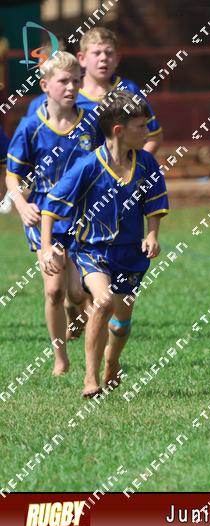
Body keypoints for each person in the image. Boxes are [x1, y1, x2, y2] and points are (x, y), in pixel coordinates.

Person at [39, 90, 169, 398]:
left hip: (130, 253)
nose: (148, 131)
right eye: (141, 126)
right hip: (92, 250)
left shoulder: (146, 163)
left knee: (121, 322)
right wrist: (46, 247)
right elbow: (50, 206)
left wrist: (152, 235)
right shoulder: (88, 165)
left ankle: (112, 361)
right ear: (119, 131)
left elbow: (154, 202)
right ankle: (90, 379)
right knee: (103, 302)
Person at [5, 52, 96, 375]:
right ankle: (61, 359)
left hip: (84, 213)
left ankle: (81, 312)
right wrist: (21, 204)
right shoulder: (30, 127)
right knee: (54, 290)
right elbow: (12, 176)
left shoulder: (91, 121)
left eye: (76, 81)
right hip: (44, 215)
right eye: (63, 81)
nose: (71, 87)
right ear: (45, 85)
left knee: (77, 292)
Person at [75, 27, 162, 154]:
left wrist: (136, 164)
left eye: (109, 53)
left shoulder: (129, 89)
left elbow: (154, 136)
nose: (103, 58)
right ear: (82, 59)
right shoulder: (70, 92)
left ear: (117, 59)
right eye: (97, 53)